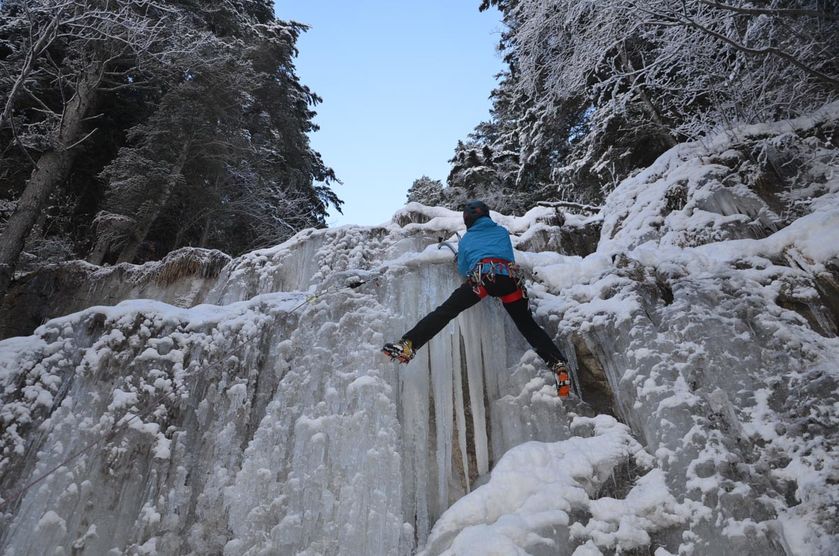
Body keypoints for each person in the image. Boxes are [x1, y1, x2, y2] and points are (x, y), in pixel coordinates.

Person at [383, 200, 573, 398]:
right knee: (528, 326)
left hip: (483, 281)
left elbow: (465, 269)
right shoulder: (501, 232)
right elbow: (508, 256)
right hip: (510, 282)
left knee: (445, 312)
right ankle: (558, 364)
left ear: (468, 220)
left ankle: (408, 345)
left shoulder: (467, 238)